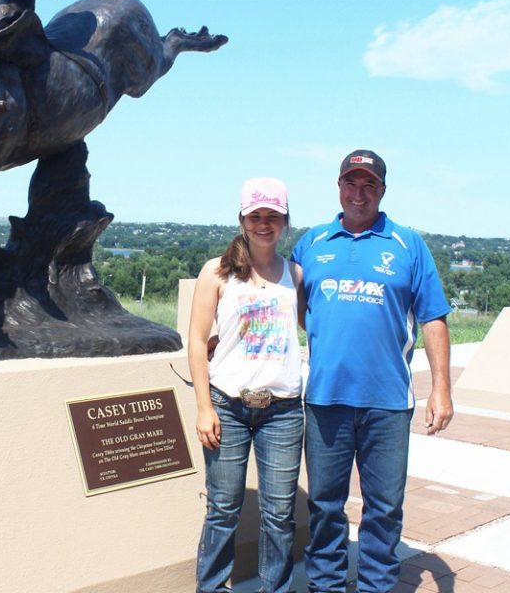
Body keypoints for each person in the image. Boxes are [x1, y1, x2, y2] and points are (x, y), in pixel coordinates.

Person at [291, 149, 453, 593]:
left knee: (384, 507)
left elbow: (434, 318)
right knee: (324, 505)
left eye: (368, 186)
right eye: (351, 183)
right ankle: (324, 584)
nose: (358, 194)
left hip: (387, 402)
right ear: (338, 187)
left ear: (382, 191)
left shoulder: (407, 245)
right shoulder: (312, 243)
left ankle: (377, 585)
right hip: (325, 399)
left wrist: (442, 390)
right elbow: (294, 310)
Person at [188, 177, 305, 593]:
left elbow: (315, 329)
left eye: (273, 216)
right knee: (222, 509)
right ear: (242, 219)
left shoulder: (295, 273)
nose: (264, 224)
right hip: (229, 406)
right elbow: (198, 341)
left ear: (285, 221)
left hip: (283, 410)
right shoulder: (217, 272)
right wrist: (205, 408)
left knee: (279, 514)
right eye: (256, 215)